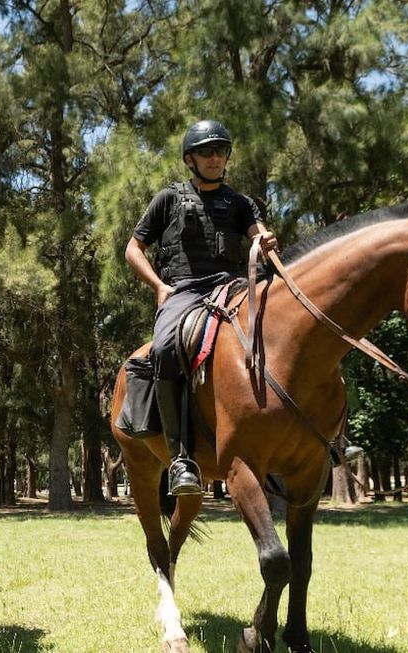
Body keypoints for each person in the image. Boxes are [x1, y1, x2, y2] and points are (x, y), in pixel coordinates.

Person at [123, 120, 279, 496]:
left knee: (297, 327)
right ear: (189, 159)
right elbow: (132, 249)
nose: (215, 158)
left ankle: (328, 438)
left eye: (221, 151)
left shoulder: (241, 203)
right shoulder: (168, 199)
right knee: (163, 348)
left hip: (233, 288)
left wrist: (265, 241)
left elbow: (259, 236)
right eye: (206, 152)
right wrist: (159, 286)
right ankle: (180, 459)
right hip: (184, 292)